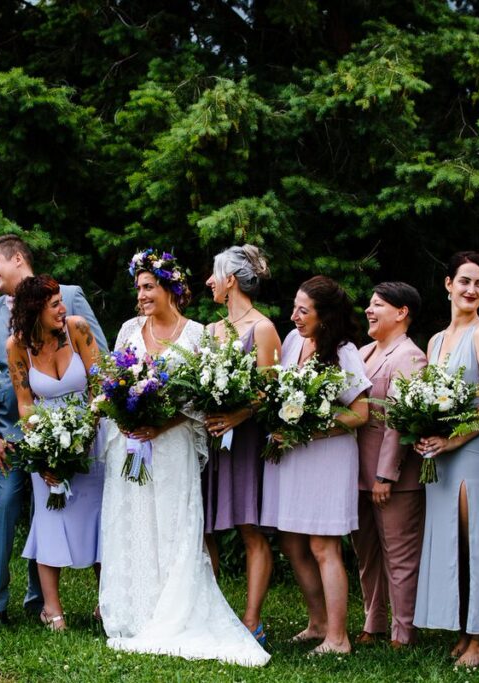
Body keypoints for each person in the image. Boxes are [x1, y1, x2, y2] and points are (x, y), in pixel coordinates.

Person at [99, 249, 270, 667]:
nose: (140, 295)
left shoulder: (198, 334)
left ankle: (172, 609)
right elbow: (112, 381)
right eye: (137, 288)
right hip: (132, 443)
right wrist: (122, 415)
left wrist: (162, 422)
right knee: (132, 520)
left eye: (148, 287)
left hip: (172, 443)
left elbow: (200, 396)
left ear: (170, 289)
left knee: (174, 524)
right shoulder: (127, 330)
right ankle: (133, 610)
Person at [0, 234, 106, 621]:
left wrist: (84, 431)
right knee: (18, 509)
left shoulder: (72, 307)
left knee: (92, 512)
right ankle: (13, 605)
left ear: (16, 258)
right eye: (53, 305)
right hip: (24, 434)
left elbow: (102, 366)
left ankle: (77, 601)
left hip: (87, 430)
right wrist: (2, 437)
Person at [260, 275, 371, 655]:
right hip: (295, 457)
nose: (293, 316)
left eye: (303, 311)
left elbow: (360, 413)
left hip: (327, 459)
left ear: (323, 317)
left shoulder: (344, 353)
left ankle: (338, 638)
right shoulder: (293, 342)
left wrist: (313, 426)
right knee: (292, 541)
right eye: (295, 307)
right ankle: (317, 622)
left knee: (324, 546)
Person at [413, 251, 479, 667]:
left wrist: (452, 440)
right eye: (465, 281)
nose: (472, 289)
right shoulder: (435, 340)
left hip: (477, 451)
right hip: (444, 453)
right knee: (455, 544)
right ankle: (464, 628)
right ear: (448, 284)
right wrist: (422, 428)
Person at [5, 275, 105, 631]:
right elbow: (25, 404)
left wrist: (85, 434)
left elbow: (99, 384)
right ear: (35, 310)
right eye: (55, 305)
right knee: (50, 519)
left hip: (91, 440)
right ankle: (52, 609)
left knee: (98, 519)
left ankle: (105, 603)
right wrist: (45, 454)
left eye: (61, 301)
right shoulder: (17, 346)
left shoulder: (77, 329)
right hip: (47, 443)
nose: (64, 309)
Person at [200, 245, 281, 645]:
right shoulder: (211, 331)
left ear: (230, 280)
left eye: (214, 275)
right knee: (205, 528)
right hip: (211, 439)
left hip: (245, 440)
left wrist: (237, 415)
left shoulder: (263, 328)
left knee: (249, 529)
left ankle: (252, 621)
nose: (208, 282)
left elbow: (270, 390)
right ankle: (211, 613)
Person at [353, 282, 428, 648]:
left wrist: (386, 474)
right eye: (370, 303)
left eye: (378, 304)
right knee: (366, 553)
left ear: (401, 313)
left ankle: (404, 630)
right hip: (357, 474)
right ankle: (374, 622)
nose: (369, 309)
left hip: (394, 478)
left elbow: (399, 421)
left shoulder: (410, 356)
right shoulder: (364, 352)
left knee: (399, 556)